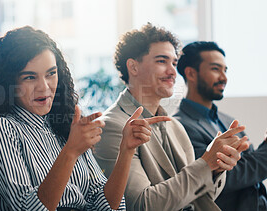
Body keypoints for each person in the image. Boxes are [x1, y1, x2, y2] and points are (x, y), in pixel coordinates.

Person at [0, 26, 169, 211]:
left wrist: (126, 150)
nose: (44, 87)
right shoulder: (1, 128)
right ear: (8, 82)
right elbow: (28, 207)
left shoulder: (64, 125)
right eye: (30, 77)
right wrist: (70, 151)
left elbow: (104, 205)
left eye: (51, 74)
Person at [93, 23, 249, 211]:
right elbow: (141, 205)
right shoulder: (111, 126)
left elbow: (196, 200)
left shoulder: (175, 126)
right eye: (162, 61)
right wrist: (204, 164)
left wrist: (214, 168)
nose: (173, 71)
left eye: (174, 63)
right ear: (133, 67)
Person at [173, 41, 267, 211]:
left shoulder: (227, 120)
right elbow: (226, 177)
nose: (224, 78)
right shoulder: (179, 126)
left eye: (225, 70)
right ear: (191, 74)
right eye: (216, 69)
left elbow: (250, 171)